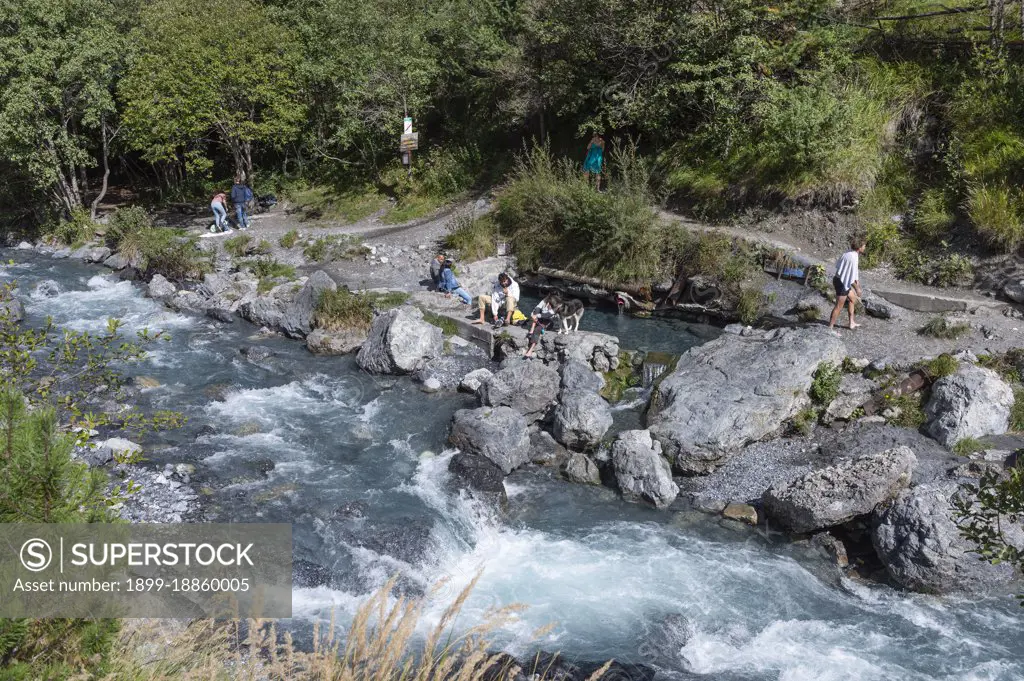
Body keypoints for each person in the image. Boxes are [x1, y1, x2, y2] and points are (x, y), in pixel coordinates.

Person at [828, 238, 866, 332]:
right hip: (841, 283)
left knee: (852, 299)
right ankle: (830, 328)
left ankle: (851, 323)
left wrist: (856, 279)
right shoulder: (852, 257)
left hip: (841, 280)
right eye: (864, 246)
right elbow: (849, 277)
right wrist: (857, 289)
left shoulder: (850, 253)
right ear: (859, 247)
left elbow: (853, 271)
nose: (865, 247)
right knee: (838, 307)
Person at [524, 293, 560, 358]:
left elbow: (548, 315)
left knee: (537, 329)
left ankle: (530, 350)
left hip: (548, 321)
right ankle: (532, 329)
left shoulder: (557, 305)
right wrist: (533, 314)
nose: (549, 297)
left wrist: (537, 316)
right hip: (540, 318)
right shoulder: (545, 300)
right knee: (537, 309)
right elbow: (537, 307)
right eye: (549, 296)